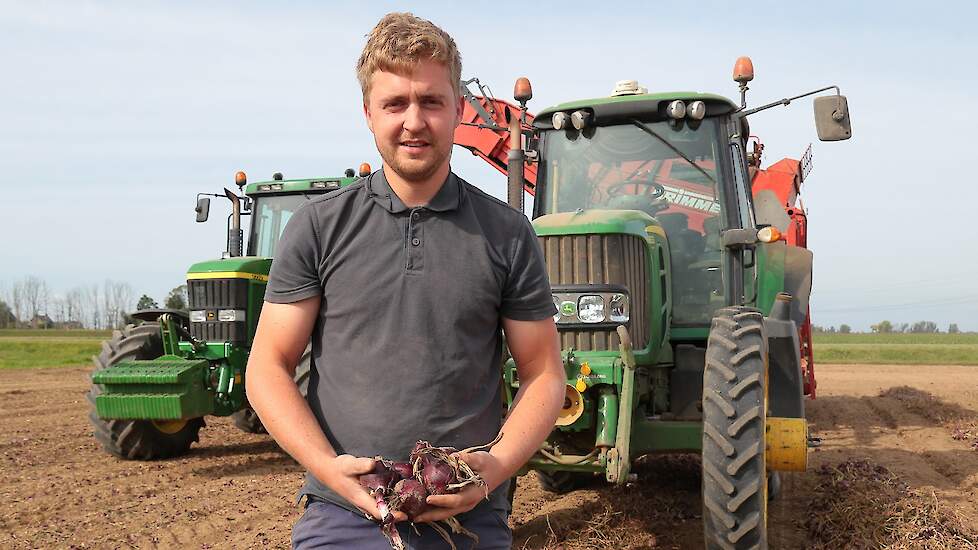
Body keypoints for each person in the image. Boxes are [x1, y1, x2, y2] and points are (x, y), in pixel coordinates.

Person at [245, 12, 565, 550]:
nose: (413, 121)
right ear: (368, 112)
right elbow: (267, 367)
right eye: (395, 103)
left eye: (432, 102)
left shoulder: (508, 234)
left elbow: (544, 373)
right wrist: (328, 467)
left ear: (459, 111)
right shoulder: (318, 228)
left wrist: (497, 466)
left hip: (466, 513)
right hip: (341, 513)